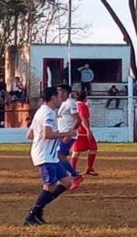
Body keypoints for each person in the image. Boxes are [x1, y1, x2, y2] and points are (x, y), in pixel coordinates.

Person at [24, 87, 77, 226]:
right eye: (59, 97)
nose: (61, 99)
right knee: (50, 186)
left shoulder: (41, 111)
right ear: (53, 98)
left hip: (50, 155)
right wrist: (66, 134)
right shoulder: (48, 113)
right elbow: (46, 134)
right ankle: (32, 214)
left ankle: (38, 210)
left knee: (67, 182)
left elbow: (29, 135)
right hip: (45, 155)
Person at [56, 85, 83, 190]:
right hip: (62, 134)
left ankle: (74, 176)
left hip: (67, 134)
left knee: (60, 155)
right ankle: (68, 177)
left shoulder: (70, 103)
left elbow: (78, 119)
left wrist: (69, 133)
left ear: (67, 92)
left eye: (61, 92)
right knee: (58, 156)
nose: (59, 94)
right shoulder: (63, 103)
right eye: (58, 92)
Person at [71, 91, 98, 176]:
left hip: (78, 131)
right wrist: (87, 129)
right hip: (83, 131)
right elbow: (82, 118)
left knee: (77, 151)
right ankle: (88, 168)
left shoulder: (75, 105)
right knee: (93, 148)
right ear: (85, 98)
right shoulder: (82, 106)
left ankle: (73, 169)